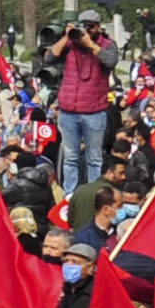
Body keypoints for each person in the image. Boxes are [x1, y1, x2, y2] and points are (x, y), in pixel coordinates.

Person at [53, 10, 117, 187]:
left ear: (98, 27)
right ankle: (70, 193)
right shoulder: (71, 44)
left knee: (94, 158)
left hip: (94, 111)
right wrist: (67, 37)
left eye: (90, 27)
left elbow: (111, 61)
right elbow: (50, 57)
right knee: (70, 157)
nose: (86, 31)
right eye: (84, 26)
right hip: (68, 111)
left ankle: (93, 192)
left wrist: (91, 45)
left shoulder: (108, 44)